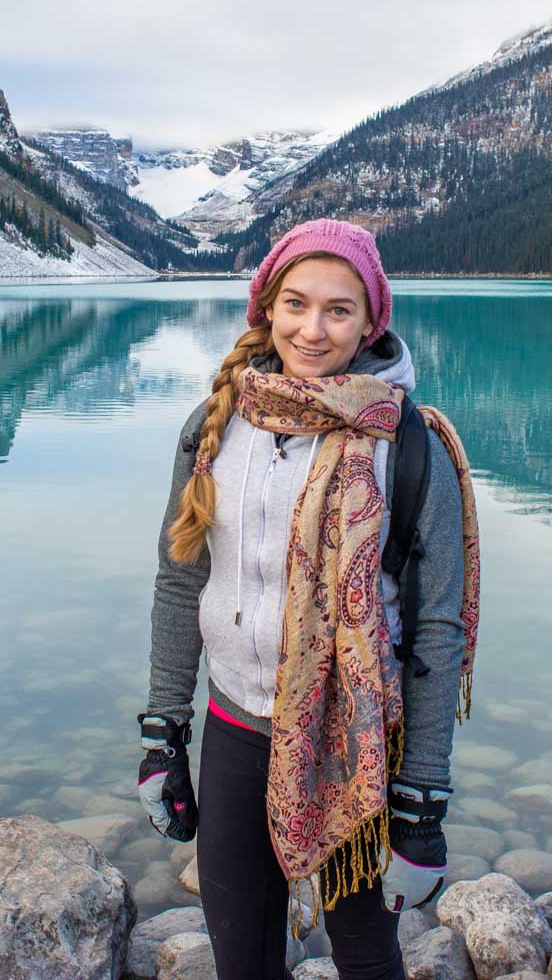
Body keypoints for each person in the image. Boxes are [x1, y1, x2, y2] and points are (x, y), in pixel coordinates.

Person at [137, 218, 474, 980]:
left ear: (371, 320)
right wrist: (164, 732)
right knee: (243, 957)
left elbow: (435, 630)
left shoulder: (409, 445)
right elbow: (181, 576)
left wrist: (421, 801)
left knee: (363, 954)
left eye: (338, 309)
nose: (312, 330)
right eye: (295, 304)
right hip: (233, 728)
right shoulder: (217, 423)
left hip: (355, 745)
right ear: (265, 306)